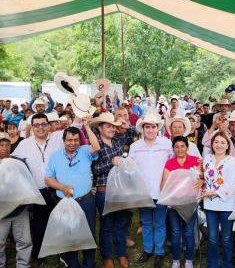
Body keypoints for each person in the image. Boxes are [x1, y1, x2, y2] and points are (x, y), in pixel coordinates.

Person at [45, 119, 100, 268]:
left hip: (86, 200)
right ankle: (73, 264)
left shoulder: (84, 151)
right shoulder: (55, 157)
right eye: (69, 140)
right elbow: (48, 179)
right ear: (64, 141)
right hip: (65, 202)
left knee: (88, 234)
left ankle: (89, 264)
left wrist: (87, 126)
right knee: (69, 235)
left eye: (76, 140)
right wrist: (62, 187)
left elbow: (96, 146)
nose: (73, 143)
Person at [12, 113, 64, 262]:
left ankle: (63, 254)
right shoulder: (24, 144)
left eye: (43, 124)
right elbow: (11, 161)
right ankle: (39, 254)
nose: (40, 128)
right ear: (32, 127)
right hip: (37, 190)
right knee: (39, 224)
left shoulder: (58, 138)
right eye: (36, 125)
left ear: (48, 125)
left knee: (61, 221)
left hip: (58, 189)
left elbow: (76, 127)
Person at [91, 112, 138, 268]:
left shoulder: (117, 140)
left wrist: (124, 124)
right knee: (106, 225)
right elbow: (95, 169)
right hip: (104, 190)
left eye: (113, 126)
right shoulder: (95, 145)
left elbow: (134, 133)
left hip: (121, 189)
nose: (111, 129)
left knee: (121, 223)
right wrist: (112, 162)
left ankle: (121, 254)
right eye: (108, 126)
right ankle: (107, 257)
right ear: (100, 128)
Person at [0, 133, 33, 268]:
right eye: (1, 145)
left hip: (19, 209)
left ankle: (23, 265)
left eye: (8, 145)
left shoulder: (19, 161)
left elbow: (27, 181)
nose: (5, 148)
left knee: (25, 241)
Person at [129, 113, 172, 268]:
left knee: (160, 223)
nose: (150, 130)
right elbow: (131, 168)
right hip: (144, 192)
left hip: (161, 190)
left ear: (157, 128)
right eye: (147, 127)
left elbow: (172, 165)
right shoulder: (135, 146)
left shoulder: (166, 144)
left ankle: (159, 252)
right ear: (142, 129)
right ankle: (148, 250)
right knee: (146, 222)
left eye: (153, 127)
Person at [200, 132, 235, 268]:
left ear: (228, 145)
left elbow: (231, 184)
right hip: (210, 205)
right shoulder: (207, 158)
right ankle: (212, 264)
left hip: (227, 205)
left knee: (227, 237)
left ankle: (227, 264)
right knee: (212, 237)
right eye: (216, 142)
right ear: (212, 144)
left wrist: (212, 192)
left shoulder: (232, 161)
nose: (219, 145)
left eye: (223, 142)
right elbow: (205, 179)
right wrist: (200, 182)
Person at [161, 136, 201, 268]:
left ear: (187, 147)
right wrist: (168, 199)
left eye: (182, 146)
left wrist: (202, 180)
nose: (179, 149)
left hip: (190, 203)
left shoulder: (196, 161)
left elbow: (203, 180)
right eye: (176, 146)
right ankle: (176, 260)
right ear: (173, 148)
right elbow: (164, 184)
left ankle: (189, 260)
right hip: (174, 204)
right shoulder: (170, 163)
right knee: (176, 232)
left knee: (189, 232)